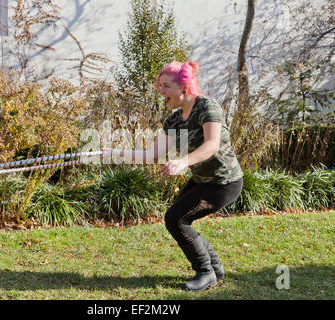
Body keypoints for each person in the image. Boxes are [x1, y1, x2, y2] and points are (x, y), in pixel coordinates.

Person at [102, 61, 243, 291]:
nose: (161, 91)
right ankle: (214, 268)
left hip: (224, 183)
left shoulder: (208, 108)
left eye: (166, 86)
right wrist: (113, 153)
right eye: (160, 86)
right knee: (177, 219)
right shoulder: (174, 120)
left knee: (176, 219)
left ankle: (206, 272)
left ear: (184, 87)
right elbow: (153, 155)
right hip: (202, 181)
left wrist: (183, 162)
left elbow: (212, 145)